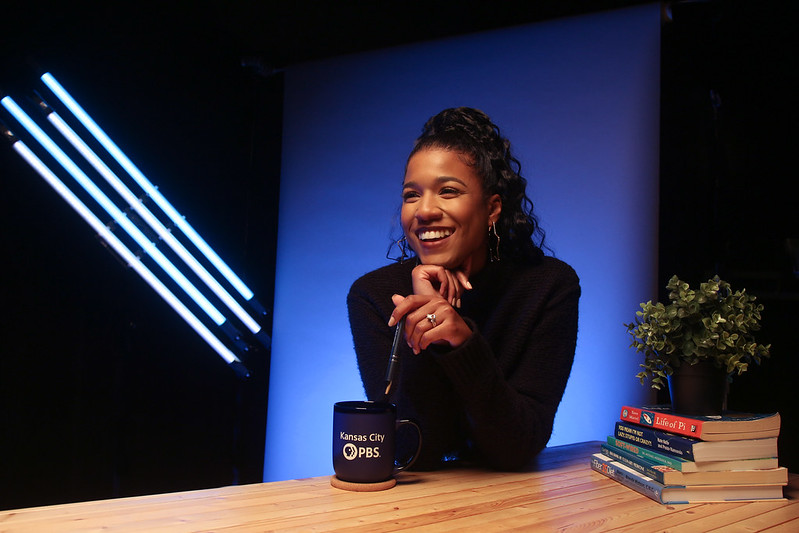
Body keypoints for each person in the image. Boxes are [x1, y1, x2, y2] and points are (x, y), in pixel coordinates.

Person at [347, 107, 580, 471]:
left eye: (448, 191)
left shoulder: (549, 287)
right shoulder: (375, 296)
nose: (424, 211)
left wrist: (463, 343)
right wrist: (430, 320)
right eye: (411, 195)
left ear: (492, 209)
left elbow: (518, 447)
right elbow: (411, 451)